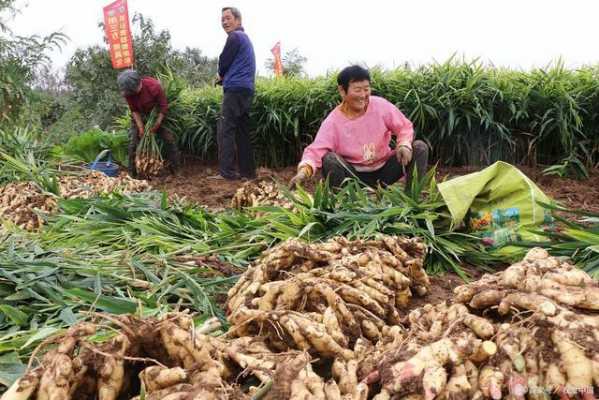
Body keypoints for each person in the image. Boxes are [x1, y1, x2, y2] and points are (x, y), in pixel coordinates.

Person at [290, 65, 429, 188]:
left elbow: (404, 126)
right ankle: (342, 206)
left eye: (366, 89)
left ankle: (412, 200)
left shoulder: (380, 106)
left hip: (385, 170)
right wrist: (304, 171)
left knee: (419, 148)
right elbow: (317, 149)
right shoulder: (333, 121)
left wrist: (404, 144)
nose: (363, 95)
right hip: (353, 176)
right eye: (357, 90)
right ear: (342, 91)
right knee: (330, 160)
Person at [212, 6, 256, 180]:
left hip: (235, 90)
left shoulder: (235, 36)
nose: (224, 22)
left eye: (228, 18)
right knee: (242, 131)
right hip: (246, 89)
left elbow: (224, 61)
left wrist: (220, 76)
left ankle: (227, 173)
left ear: (238, 20)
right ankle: (248, 173)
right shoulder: (245, 39)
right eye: (222, 19)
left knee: (226, 130)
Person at [117, 69, 180, 177]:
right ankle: (132, 174)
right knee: (133, 143)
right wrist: (141, 128)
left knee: (169, 139)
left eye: (133, 91)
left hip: (156, 115)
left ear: (138, 82)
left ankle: (176, 169)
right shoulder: (128, 93)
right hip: (139, 116)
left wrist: (157, 123)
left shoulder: (153, 86)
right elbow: (134, 111)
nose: (131, 94)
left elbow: (163, 106)